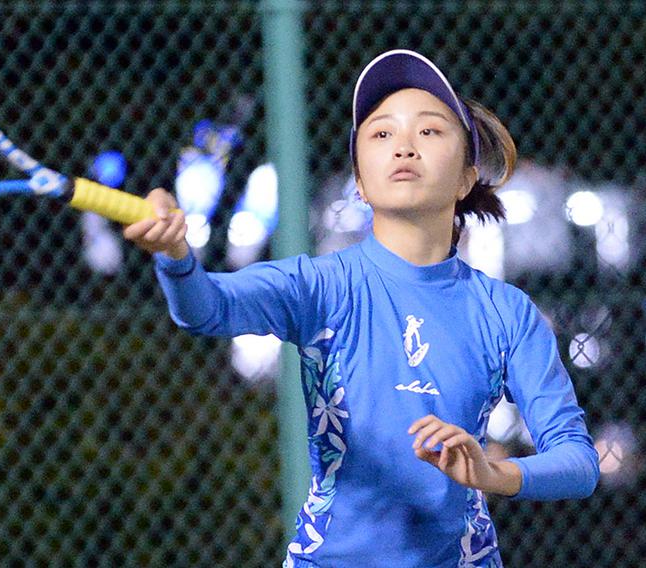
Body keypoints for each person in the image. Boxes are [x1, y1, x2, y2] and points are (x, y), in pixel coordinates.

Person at [123, 49, 599, 568]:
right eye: (381, 134)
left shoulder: (506, 312)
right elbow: (207, 308)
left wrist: (493, 474)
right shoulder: (319, 285)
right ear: (361, 180)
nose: (404, 147)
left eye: (430, 131)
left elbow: (577, 460)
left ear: (466, 178)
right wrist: (175, 258)